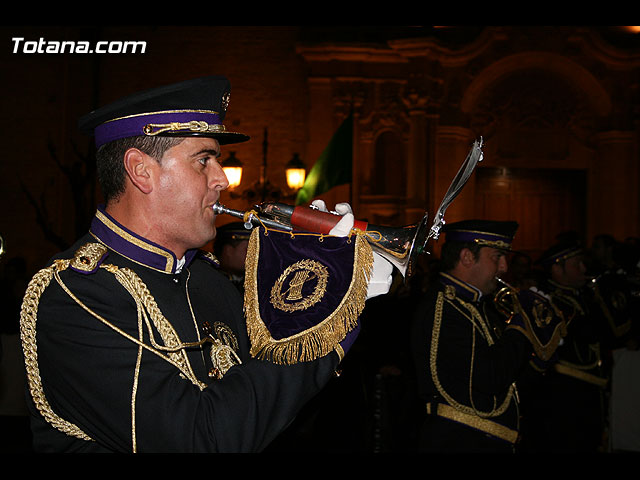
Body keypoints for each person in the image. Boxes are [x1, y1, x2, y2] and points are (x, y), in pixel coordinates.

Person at [19, 76, 391, 453]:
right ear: (141, 170)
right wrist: (328, 312)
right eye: (204, 160)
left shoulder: (205, 279)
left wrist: (313, 281)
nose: (223, 179)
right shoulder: (75, 294)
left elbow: (269, 409)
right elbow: (201, 438)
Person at [410, 220, 565, 453]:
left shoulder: (480, 305)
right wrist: (521, 327)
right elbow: (488, 378)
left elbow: (509, 385)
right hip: (460, 442)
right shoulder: (445, 307)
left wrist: (542, 353)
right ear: (466, 257)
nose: (504, 267)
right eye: (497, 257)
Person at [212, 221, 253, 292]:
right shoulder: (210, 280)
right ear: (228, 251)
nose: (253, 256)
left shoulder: (254, 282)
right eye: (248, 250)